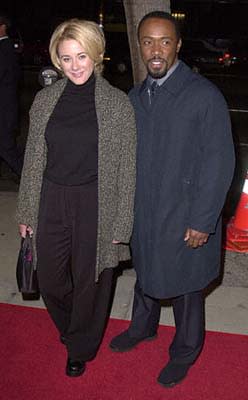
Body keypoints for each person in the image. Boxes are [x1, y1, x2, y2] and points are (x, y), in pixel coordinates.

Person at [109, 11, 235, 388]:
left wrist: (203, 220)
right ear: (139, 46)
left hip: (185, 215)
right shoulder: (135, 97)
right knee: (146, 273)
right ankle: (143, 329)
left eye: (165, 41)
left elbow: (220, 163)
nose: (156, 50)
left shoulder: (203, 96)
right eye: (148, 41)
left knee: (186, 286)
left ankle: (184, 352)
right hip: (147, 210)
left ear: (178, 45)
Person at [16, 18, 136, 378]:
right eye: (66, 58)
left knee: (91, 280)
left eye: (82, 56)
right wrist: (26, 209)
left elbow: (127, 169)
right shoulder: (45, 100)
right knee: (50, 278)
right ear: (57, 59)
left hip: (96, 200)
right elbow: (34, 159)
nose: (74, 65)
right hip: (51, 197)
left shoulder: (117, 105)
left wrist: (122, 223)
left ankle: (80, 346)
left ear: (97, 55)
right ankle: (72, 328)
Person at [0, 13, 22, 177]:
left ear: (2, 27)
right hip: (6, 108)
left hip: (5, 110)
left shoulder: (5, 48)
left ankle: (30, 180)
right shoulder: (7, 47)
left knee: (7, 148)